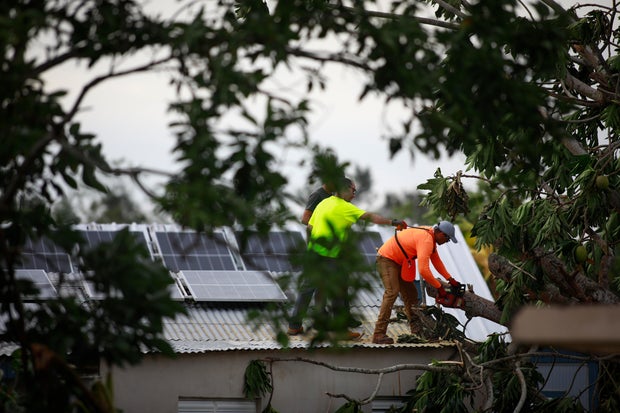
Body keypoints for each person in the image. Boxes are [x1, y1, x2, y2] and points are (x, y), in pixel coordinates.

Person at [288, 177, 407, 340]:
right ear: (344, 190)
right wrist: (394, 222)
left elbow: (310, 226)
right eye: (353, 190)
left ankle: (294, 326)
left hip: (314, 254)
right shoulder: (345, 207)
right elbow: (371, 217)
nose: (354, 195)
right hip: (330, 257)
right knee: (339, 292)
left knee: (306, 290)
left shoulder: (324, 203)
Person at [371, 221, 462, 344]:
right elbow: (423, 270)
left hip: (400, 262)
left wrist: (451, 280)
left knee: (411, 295)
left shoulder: (430, 236)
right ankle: (379, 334)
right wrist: (439, 287)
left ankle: (417, 331)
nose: (447, 242)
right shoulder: (427, 240)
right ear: (441, 233)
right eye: (447, 239)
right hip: (386, 259)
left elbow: (437, 262)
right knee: (392, 292)